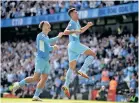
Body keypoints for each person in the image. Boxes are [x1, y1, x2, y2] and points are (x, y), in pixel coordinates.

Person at [12, 21, 64, 101]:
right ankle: (18, 84)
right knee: (36, 78)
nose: (49, 25)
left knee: (44, 78)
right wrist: (58, 37)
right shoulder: (40, 35)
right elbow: (49, 42)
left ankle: (36, 96)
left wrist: (53, 48)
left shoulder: (46, 37)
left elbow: (48, 48)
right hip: (40, 60)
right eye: (47, 24)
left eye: (49, 25)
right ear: (43, 27)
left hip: (46, 61)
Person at [62, 8, 96, 98]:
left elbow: (80, 31)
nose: (77, 13)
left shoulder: (76, 22)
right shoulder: (72, 22)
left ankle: (66, 85)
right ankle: (82, 70)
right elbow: (65, 32)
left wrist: (87, 26)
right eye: (76, 13)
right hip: (74, 44)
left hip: (71, 46)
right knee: (93, 54)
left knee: (71, 67)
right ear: (72, 15)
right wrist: (75, 31)